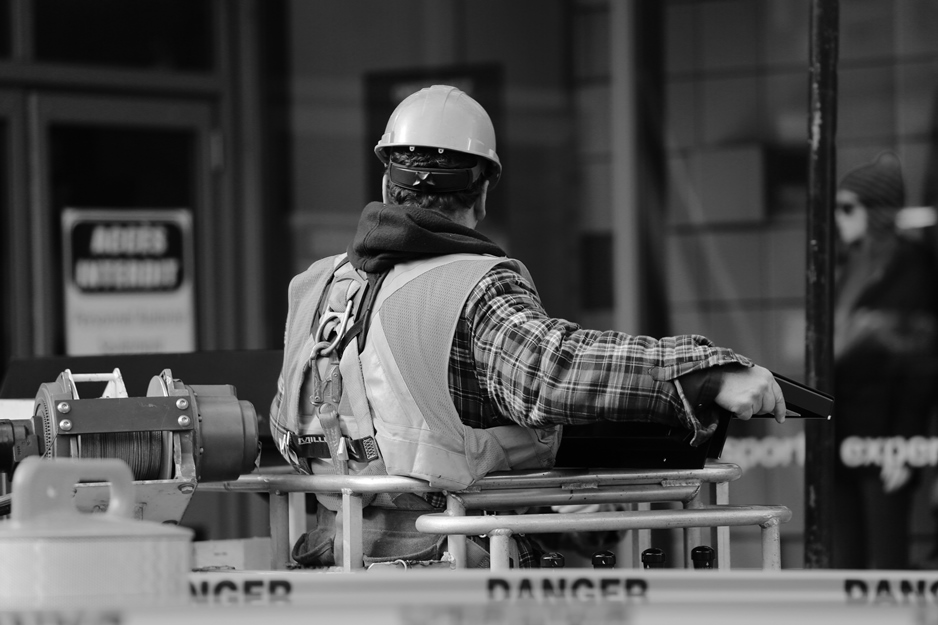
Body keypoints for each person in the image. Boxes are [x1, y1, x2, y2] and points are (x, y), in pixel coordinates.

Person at [269, 84, 786, 569]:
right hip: (448, 574)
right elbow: (552, 372)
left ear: (387, 183)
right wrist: (705, 374)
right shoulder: (471, 286)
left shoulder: (316, 287)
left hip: (331, 568)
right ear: (482, 193)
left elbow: (293, 430)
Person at [831, 152, 938, 569]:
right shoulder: (850, 267)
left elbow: (919, 367)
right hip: (842, 432)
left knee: (886, 559)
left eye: (848, 208)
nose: (838, 218)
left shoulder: (912, 267)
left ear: (875, 211)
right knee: (846, 559)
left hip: (885, 435)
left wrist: (904, 443)